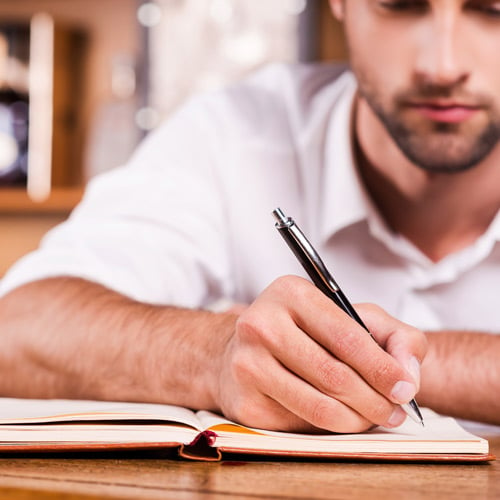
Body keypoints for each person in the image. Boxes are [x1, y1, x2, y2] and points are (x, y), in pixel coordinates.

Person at [1, 0, 500, 433]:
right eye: (399, 2)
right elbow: (17, 330)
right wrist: (212, 352)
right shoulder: (231, 133)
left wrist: (337, 360)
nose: (443, 66)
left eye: (493, 8)